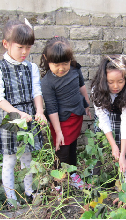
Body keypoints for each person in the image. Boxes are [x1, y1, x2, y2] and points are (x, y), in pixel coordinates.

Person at [0, 19, 47, 207]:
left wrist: (39, 111)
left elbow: (36, 91)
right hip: (10, 116)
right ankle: (11, 198)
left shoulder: (32, 68)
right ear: (6, 44)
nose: (24, 52)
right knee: (10, 158)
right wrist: (17, 113)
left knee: (27, 156)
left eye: (28, 48)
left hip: (28, 113)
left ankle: (29, 191)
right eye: (20, 47)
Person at [40, 36, 92, 190]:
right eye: (56, 64)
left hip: (76, 116)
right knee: (62, 151)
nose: (61, 68)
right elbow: (52, 108)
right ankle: (58, 183)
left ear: (71, 59)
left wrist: (87, 103)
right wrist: (58, 131)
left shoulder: (75, 69)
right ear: (46, 59)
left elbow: (81, 86)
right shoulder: (47, 82)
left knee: (72, 147)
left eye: (65, 63)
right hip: (60, 121)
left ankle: (73, 173)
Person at [91, 54, 126, 174]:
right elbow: (103, 119)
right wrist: (113, 145)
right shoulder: (97, 91)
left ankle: (124, 175)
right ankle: (95, 178)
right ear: (103, 80)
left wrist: (121, 152)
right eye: (110, 82)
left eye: (120, 81)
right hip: (104, 120)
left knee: (125, 149)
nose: (116, 86)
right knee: (99, 145)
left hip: (121, 120)